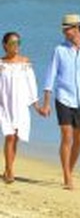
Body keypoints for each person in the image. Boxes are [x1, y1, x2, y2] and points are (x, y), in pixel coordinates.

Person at [41, 14, 80, 190]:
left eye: (67, 29)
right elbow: (50, 76)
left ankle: (70, 169)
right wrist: (46, 103)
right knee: (66, 136)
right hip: (63, 98)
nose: (65, 32)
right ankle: (67, 176)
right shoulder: (59, 50)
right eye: (64, 29)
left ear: (77, 28)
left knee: (79, 139)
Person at [0, 32, 42, 184]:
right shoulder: (1, 64)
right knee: (9, 136)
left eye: (18, 42)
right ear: (5, 45)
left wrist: (37, 105)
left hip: (20, 105)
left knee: (16, 137)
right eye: (12, 43)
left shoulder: (25, 63)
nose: (16, 46)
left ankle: (8, 168)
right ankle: (10, 170)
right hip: (4, 105)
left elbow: (31, 84)